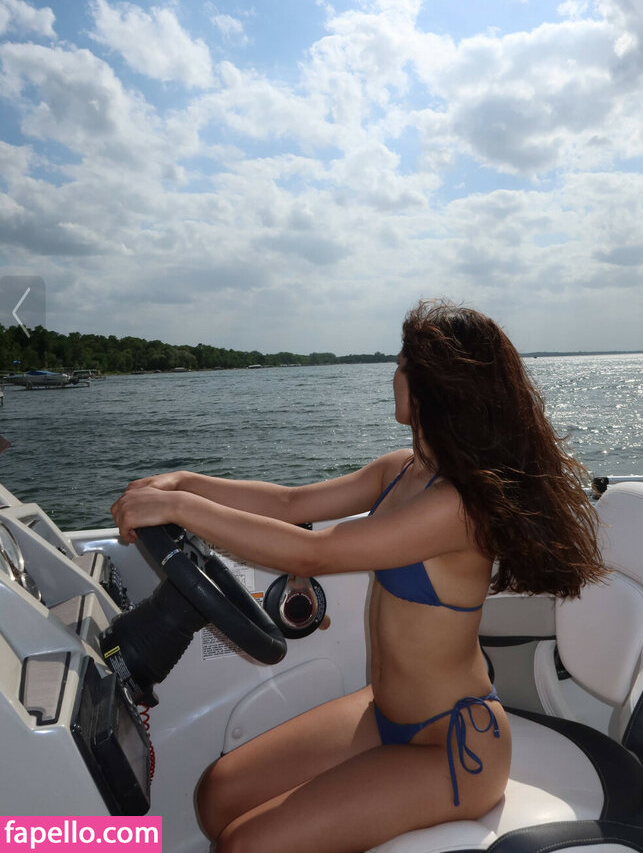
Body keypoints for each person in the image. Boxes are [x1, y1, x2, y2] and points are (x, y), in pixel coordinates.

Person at [112, 300, 606, 853]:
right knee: (217, 796)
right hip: (383, 713)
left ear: (434, 387)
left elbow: (313, 554)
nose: (393, 375)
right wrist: (185, 484)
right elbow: (290, 503)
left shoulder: (458, 507)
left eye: (401, 365)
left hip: (453, 745)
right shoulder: (402, 471)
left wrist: (180, 510)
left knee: (243, 845)